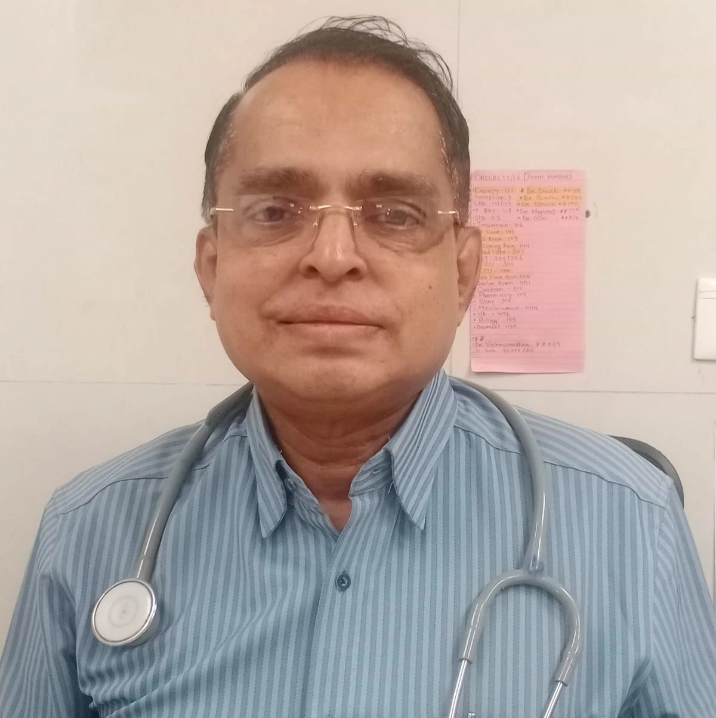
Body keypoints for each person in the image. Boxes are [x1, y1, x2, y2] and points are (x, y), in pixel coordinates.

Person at [1, 15, 715, 718]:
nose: (333, 256)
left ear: (464, 272)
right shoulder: (86, 534)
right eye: (276, 211)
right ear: (211, 265)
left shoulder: (632, 524)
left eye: (395, 214)